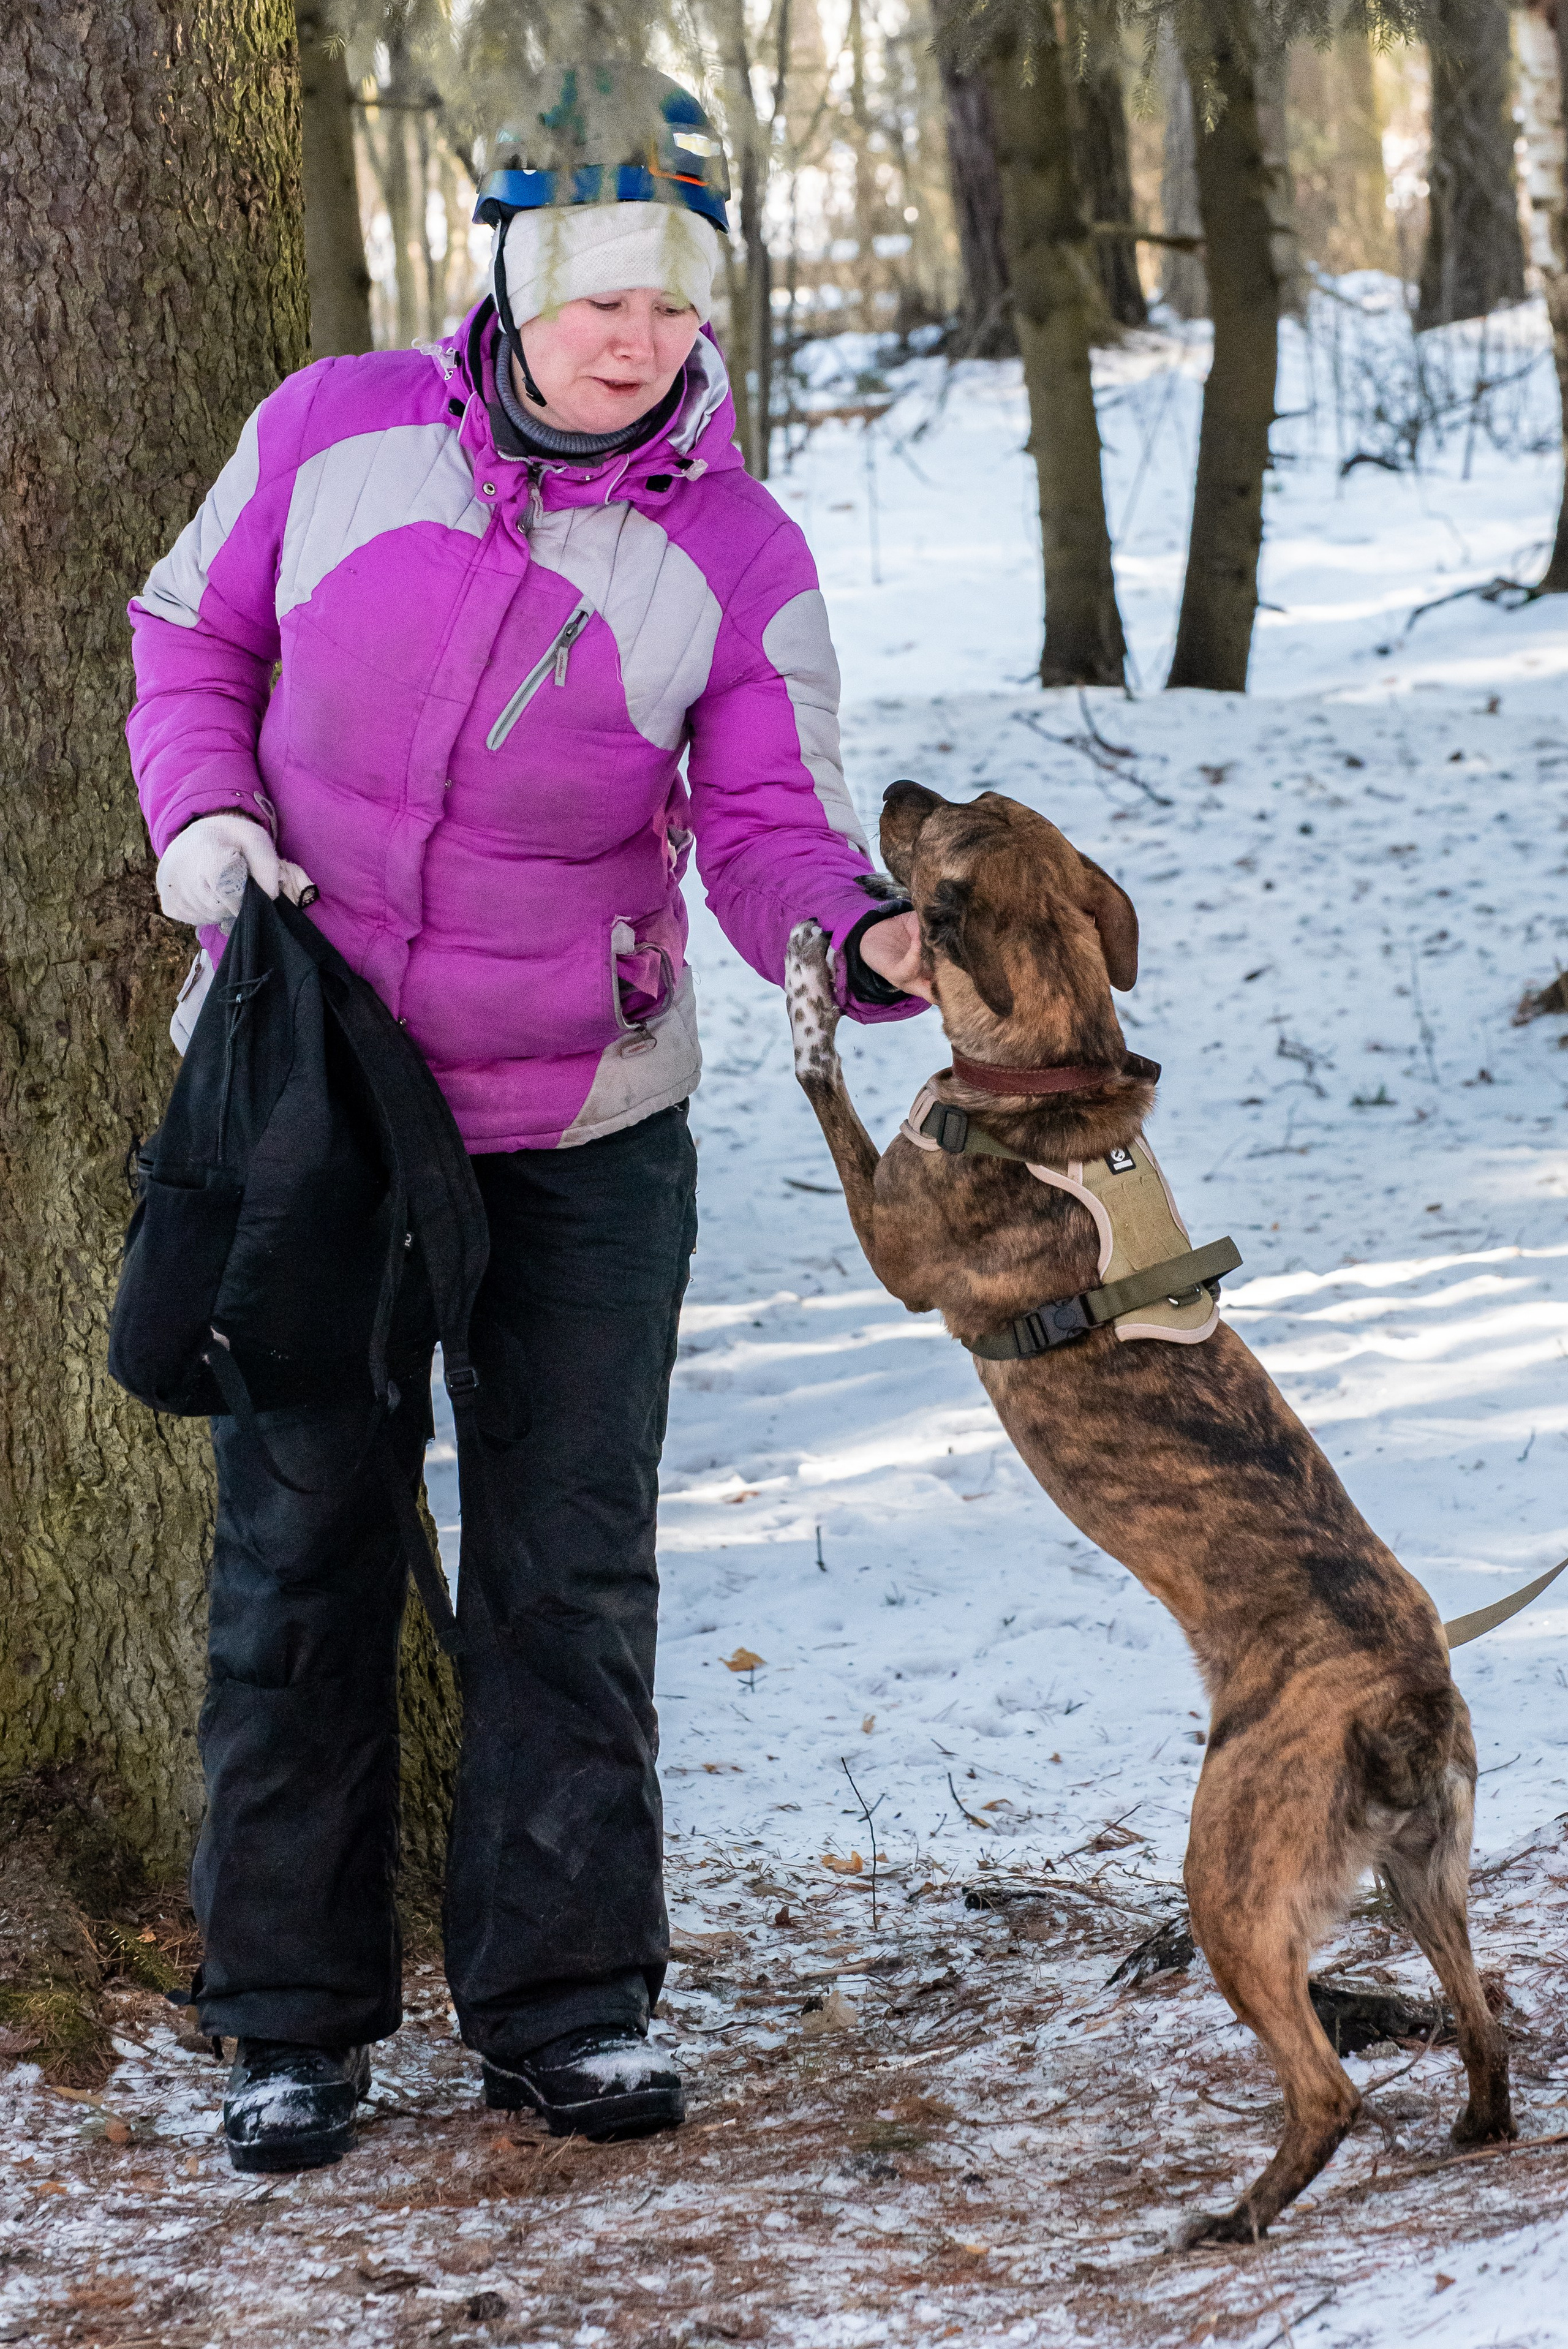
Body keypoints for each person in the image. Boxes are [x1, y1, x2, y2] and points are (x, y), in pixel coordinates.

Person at [126, 64, 928, 2174]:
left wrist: (856, 943)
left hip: (581, 1124)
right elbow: (181, 635)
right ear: (510, 270)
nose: (633, 333)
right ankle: (288, 2021)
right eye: (593, 287)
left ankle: (570, 1999)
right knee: (298, 1555)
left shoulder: (737, 554)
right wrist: (201, 820)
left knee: (567, 1566)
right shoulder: (332, 432)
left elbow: (768, 823)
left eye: (672, 296)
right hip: (320, 1105)